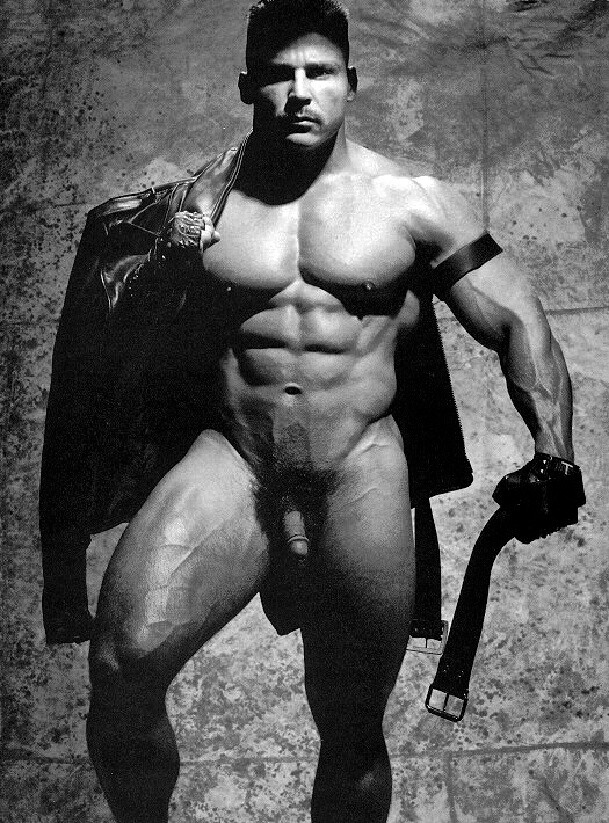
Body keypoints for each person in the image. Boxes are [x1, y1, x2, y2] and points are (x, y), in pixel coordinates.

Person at [50, 0, 583, 820]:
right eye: (279, 75)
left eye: (319, 72)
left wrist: (554, 449)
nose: (299, 92)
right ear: (246, 87)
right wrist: (155, 256)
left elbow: (516, 318)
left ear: (350, 82)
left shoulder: (416, 203)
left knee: (351, 727)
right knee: (121, 670)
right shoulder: (196, 209)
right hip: (233, 459)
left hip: (357, 468)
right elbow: (115, 338)